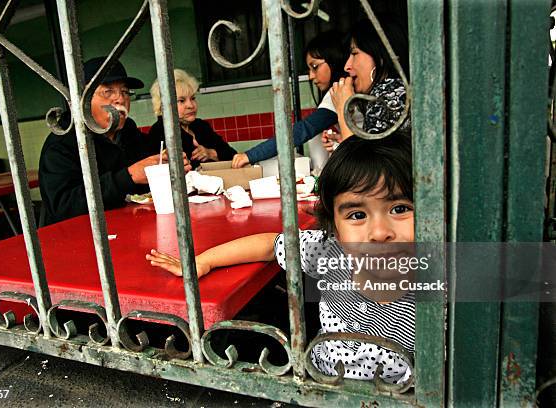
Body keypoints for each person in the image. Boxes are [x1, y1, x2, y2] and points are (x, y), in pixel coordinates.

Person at [147, 132, 415, 384]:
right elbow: (268, 244)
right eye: (357, 215)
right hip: (318, 381)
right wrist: (203, 261)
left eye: (400, 208)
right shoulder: (329, 250)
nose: (380, 233)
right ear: (333, 224)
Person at [39, 57, 190, 225]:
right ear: (83, 99)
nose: (120, 99)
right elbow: (63, 207)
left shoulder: (128, 132)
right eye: (108, 92)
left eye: (125, 92)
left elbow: (144, 185)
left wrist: (166, 166)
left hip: (127, 228)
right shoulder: (63, 143)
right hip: (78, 239)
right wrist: (129, 176)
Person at [231, 30, 349, 169]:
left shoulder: (342, 89)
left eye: (315, 67)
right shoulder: (338, 89)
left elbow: (304, 129)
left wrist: (250, 155)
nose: (311, 76)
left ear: (334, 59)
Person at [327, 15, 410, 147]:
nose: (347, 66)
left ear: (381, 56)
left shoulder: (387, 99)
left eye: (354, 54)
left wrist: (343, 111)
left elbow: (362, 165)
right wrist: (348, 137)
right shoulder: (394, 90)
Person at [147, 69, 237, 169]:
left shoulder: (201, 126)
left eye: (193, 98)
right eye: (181, 101)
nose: (190, 105)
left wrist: (211, 153)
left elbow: (234, 156)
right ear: (163, 105)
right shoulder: (160, 132)